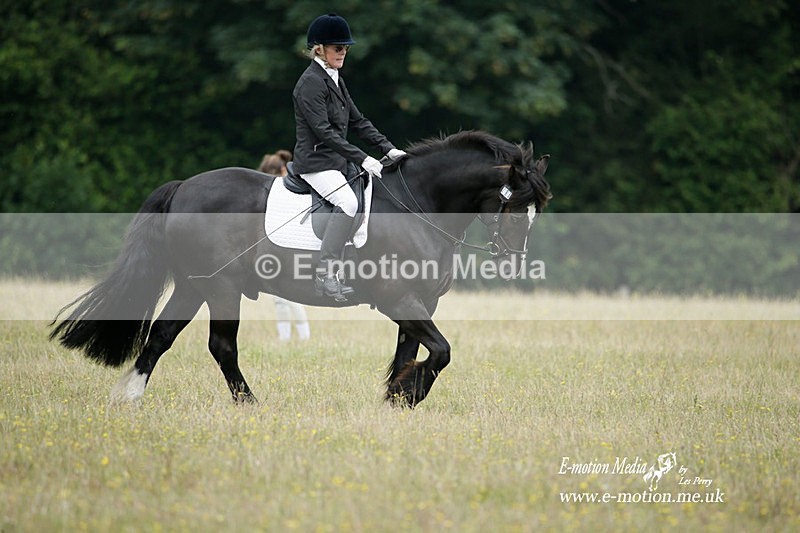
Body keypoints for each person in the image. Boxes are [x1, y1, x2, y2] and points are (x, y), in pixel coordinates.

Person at [292, 13, 406, 300]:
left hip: (337, 161)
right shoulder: (310, 84)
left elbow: (358, 121)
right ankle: (325, 272)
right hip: (315, 163)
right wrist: (364, 158)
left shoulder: (334, 78)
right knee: (348, 201)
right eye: (337, 48)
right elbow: (324, 131)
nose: (343, 53)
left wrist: (388, 148)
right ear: (319, 49)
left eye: (345, 48)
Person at [258, 149, 311, 341]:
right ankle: (285, 336)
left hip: (292, 249)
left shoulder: (295, 192)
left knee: (290, 297)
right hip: (277, 249)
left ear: (281, 170)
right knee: (279, 298)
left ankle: (303, 336)